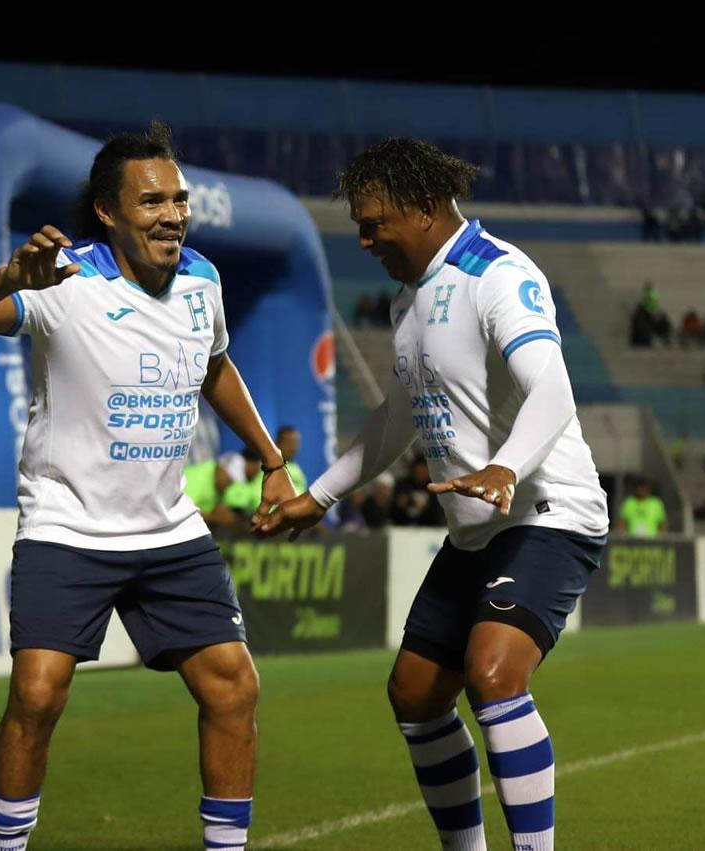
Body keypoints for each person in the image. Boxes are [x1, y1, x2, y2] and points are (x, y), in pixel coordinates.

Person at [0, 122, 294, 851]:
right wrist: (7, 279)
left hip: (169, 529)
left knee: (234, 686)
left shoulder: (204, 280)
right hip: (68, 526)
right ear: (108, 211)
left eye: (179, 199)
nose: (173, 215)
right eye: (152, 201)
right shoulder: (64, 279)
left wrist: (270, 459)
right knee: (36, 695)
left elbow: (215, 366)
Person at [258, 138, 608, 851]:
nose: (364, 241)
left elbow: (553, 388)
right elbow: (398, 417)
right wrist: (319, 496)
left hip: (547, 511)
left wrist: (506, 468)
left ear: (423, 208)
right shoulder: (409, 299)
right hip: (478, 532)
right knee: (415, 692)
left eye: (373, 224)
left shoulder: (496, 273)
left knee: (493, 673)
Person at [275, 425, 307, 493]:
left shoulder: (296, 468)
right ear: (277, 443)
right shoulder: (269, 467)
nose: (293, 447)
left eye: (295, 443)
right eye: (288, 442)